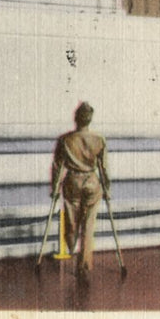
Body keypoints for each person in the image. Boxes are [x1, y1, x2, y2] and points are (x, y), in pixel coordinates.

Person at [52, 102, 109, 282]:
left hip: (72, 182)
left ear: (76, 118)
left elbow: (57, 167)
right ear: (90, 119)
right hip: (92, 182)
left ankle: (70, 245)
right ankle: (84, 265)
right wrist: (107, 188)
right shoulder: (99, 140)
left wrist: (54, 188)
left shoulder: (65, 140)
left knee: (71, 219)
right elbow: (104, 168)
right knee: (89, 225)